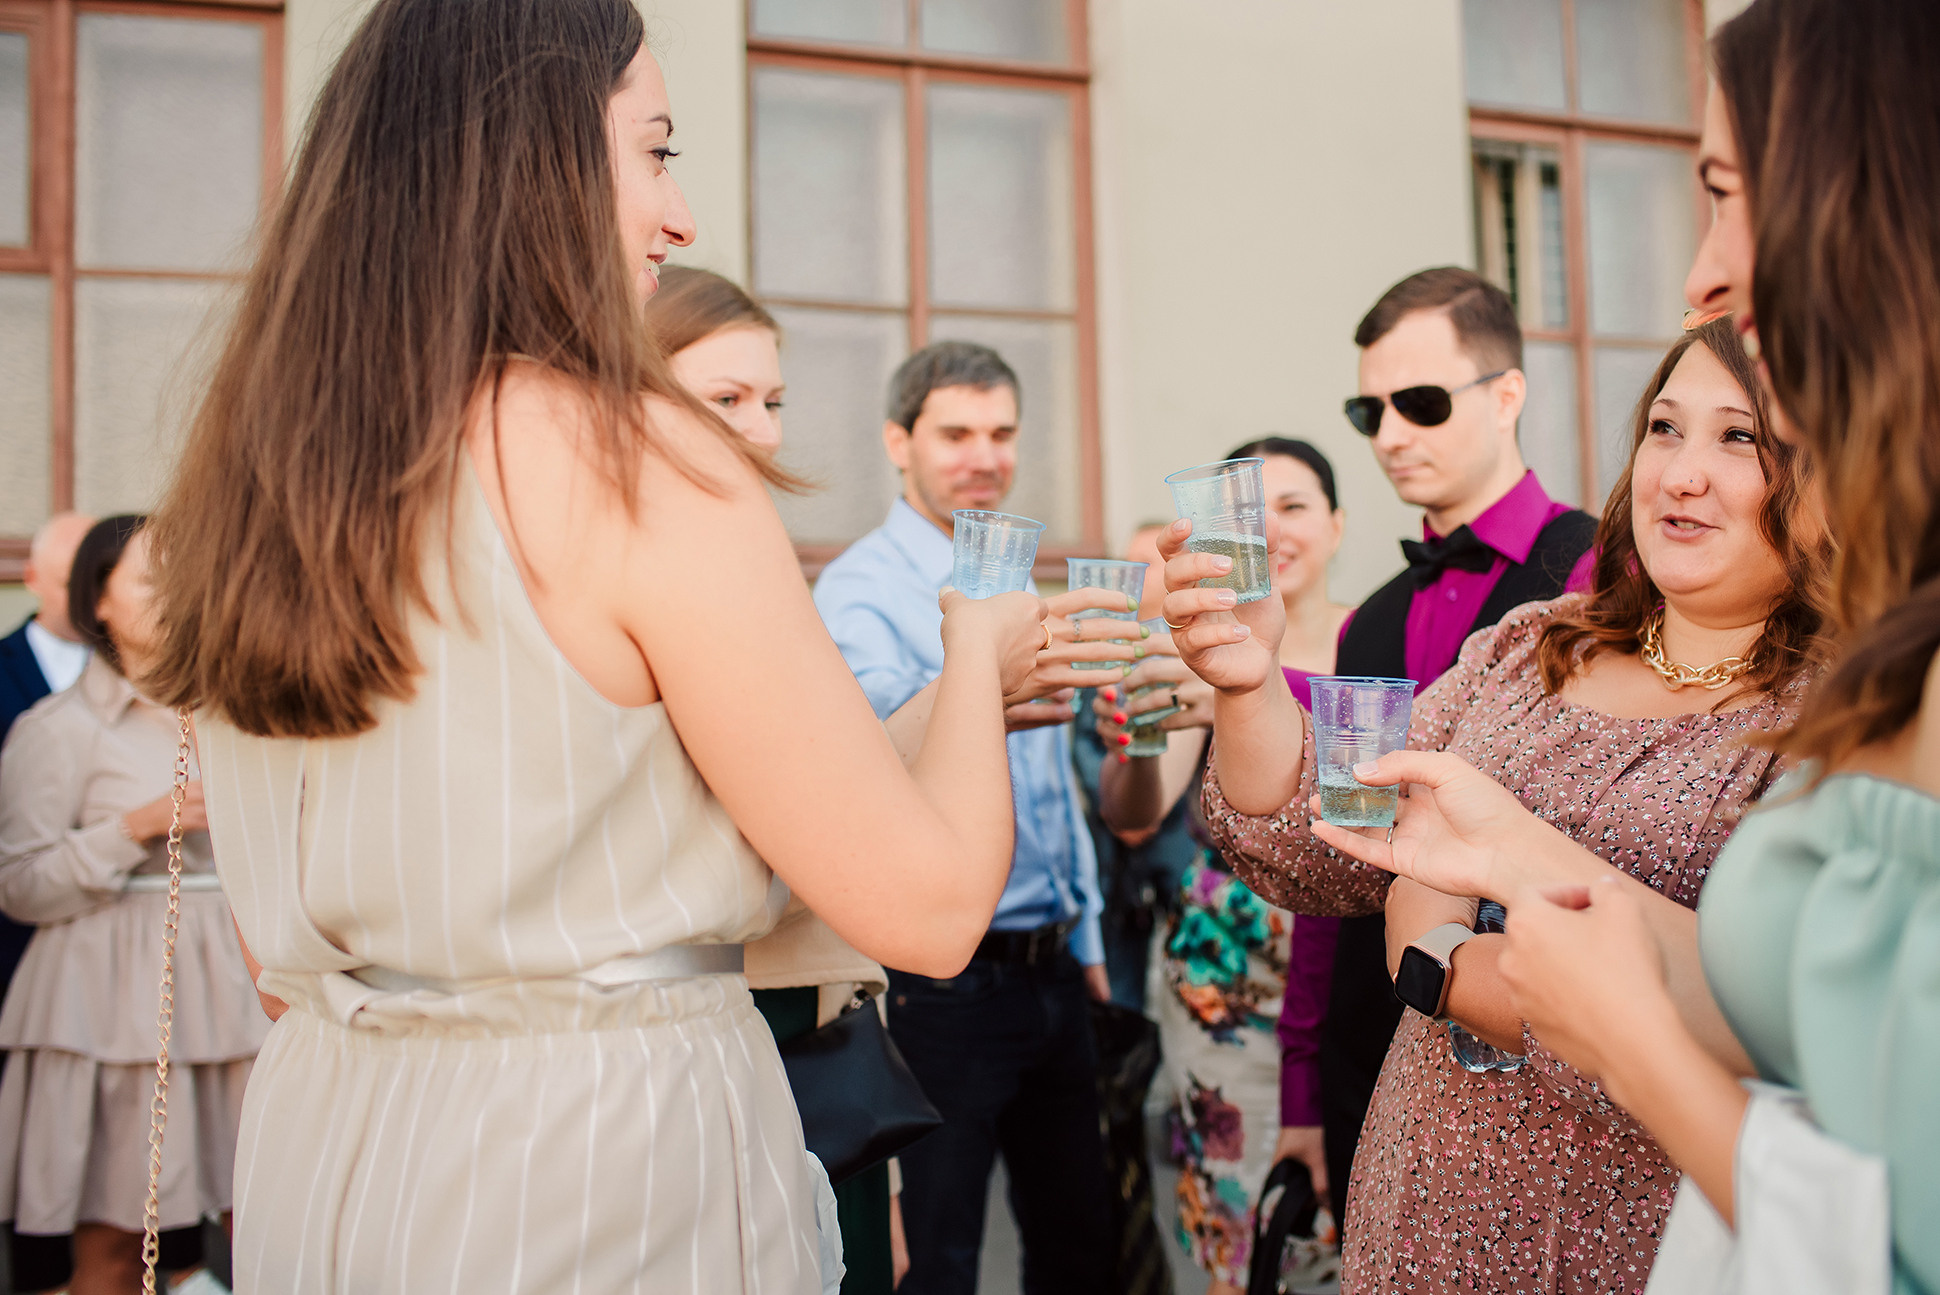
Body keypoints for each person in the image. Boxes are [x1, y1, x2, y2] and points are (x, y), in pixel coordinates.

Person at [141, 1, 1066, 1288]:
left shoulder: (253, 477)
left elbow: (353, 916)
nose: (678, 215)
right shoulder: (634, 458)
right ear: (534, 160)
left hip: (329, 1144)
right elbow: (927, 909)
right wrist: (975, 643)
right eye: (658, 149)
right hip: (597, 1155)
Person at [1338, 2, 1940, 1288]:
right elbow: (1821, 1027)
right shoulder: (1530, 646)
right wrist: (1505, 843)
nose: (1700, 276)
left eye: (1727, 195)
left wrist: (1633, 1045)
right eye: (1665, 429)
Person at [1158, 313, 1827, 1292]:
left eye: (1738, 437)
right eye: (1663, 428)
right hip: (1422, 1203)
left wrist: (1441, 953)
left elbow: (1795, 1007)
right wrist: (1247, 683)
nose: (1680, 473)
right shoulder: (1531, 646)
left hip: (1653, 1226)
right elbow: (1339, 830)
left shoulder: (1844, 711)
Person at [813, 340, 1128, 1295]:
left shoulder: (1017, 576)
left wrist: (1088, 936)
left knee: (1084, 1247)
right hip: (935, 982)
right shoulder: (860, 590)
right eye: (955, 433)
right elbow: (863, 766)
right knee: (937, 1261)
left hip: (1052, 968)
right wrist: (973, 684)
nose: (983, 455)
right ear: (898, 441)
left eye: (1001, 433)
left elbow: (1045, 782)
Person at [1307, 268, 1598, 1228]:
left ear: (1507, 395)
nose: (1390, 434)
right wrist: (1300, 1085)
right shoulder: (1370, 622)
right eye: (1370, 409)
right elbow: (1333, 855)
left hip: (1540, 1067)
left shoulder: (1602, 576)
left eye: (1420, 403)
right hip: (1368, 1040)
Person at [1092, 438, 1349, 1295]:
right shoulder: (1202, 646)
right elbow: (1134, 817)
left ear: (1337, 525)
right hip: (1221, 984)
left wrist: (1266, 689)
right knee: (1235, 1222)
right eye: (1252, 508)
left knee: (1348, 1207)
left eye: (1297, 505)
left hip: (1344, 964)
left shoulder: (1374, 634)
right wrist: (1135, 735)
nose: (1272, 528)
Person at [0, 515, 267, 1295]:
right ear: (98, 602)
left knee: (268, 1221)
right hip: (111, 1015)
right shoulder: (59, 729)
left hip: (242, 1004)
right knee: (117, 1248)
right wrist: (137, 826)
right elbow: (18, 884)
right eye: (151, 580)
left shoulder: (244, 713)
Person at [0, 514, 95, 998]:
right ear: (32, 580)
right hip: (13, 937)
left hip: (112, 940)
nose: (89, 601)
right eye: (69, 584)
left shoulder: (155, 683)